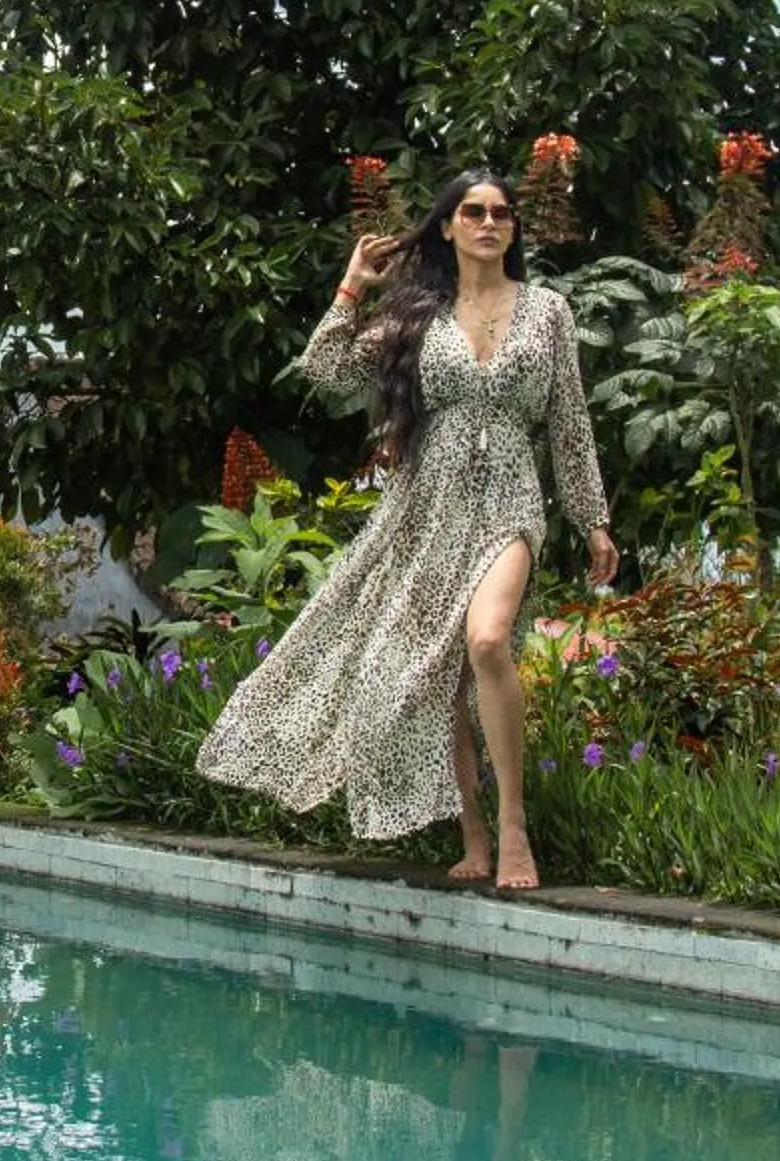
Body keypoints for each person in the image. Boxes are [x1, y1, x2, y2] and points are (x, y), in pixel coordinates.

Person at [195, 168, 615, 888]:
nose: (490, 223)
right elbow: (325, 367)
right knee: (439, 677)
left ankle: (515, 827)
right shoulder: (417, 315)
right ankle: (473, 835)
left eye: (503, 214)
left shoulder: (548, 311)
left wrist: (593, 520)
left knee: (486, 641)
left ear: (513, 230)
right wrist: (354, 283)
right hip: (424, 509)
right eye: (474, 212)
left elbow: (571, 424)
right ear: (448, 227)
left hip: (510, 500)